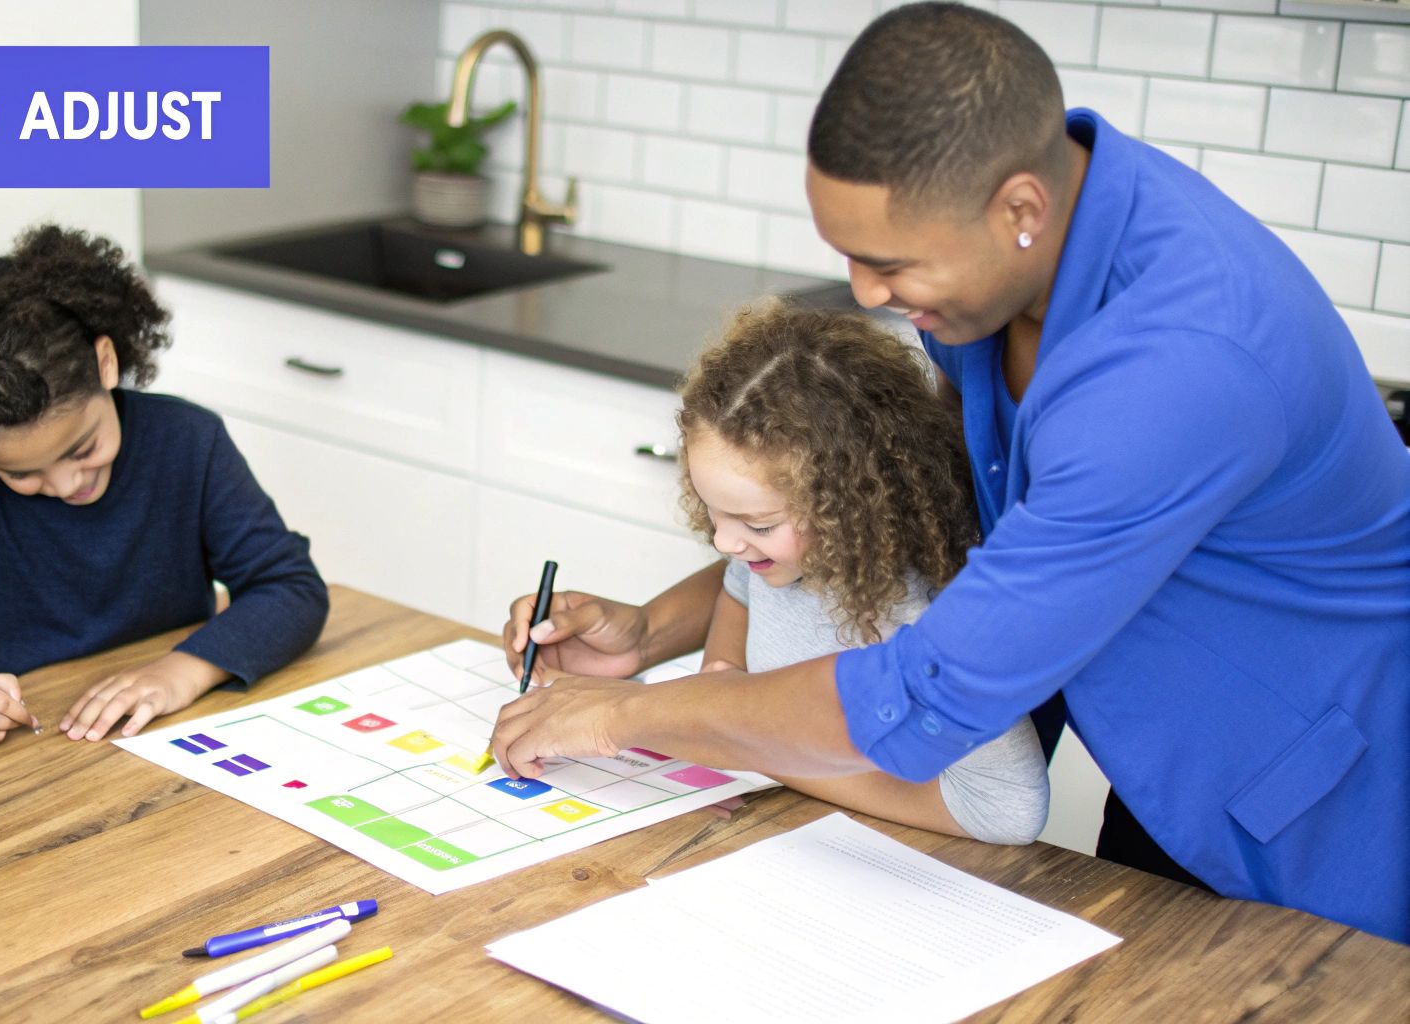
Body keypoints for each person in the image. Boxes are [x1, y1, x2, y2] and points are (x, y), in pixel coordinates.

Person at [489, 2, 1409, 943]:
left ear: (1020, 208)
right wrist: (651, 632)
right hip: (1165, 766)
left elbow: (930, 692)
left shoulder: (1176, 369)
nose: (865, 294)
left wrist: (625, 719)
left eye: (890, 263)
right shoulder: (1007, 269)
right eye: (848, 252)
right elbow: (887, 519)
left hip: (1312, 811)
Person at [0, 225, 328, 747]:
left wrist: (183, 673)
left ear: (105, 363)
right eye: (20, 473)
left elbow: (290, 587)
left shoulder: (188, 443)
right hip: (7, 763)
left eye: (82, 448)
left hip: (164, 740)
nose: (66, 484)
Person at [680, 300, 1047, 843]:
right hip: (778, 830)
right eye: (714, 511)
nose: (724, 541)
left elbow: (1008, 811)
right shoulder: (771, 560)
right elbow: (736, 603)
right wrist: (724, 680)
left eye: (756, 523)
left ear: (850, 508)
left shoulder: (924, 614)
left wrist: (751, 744)